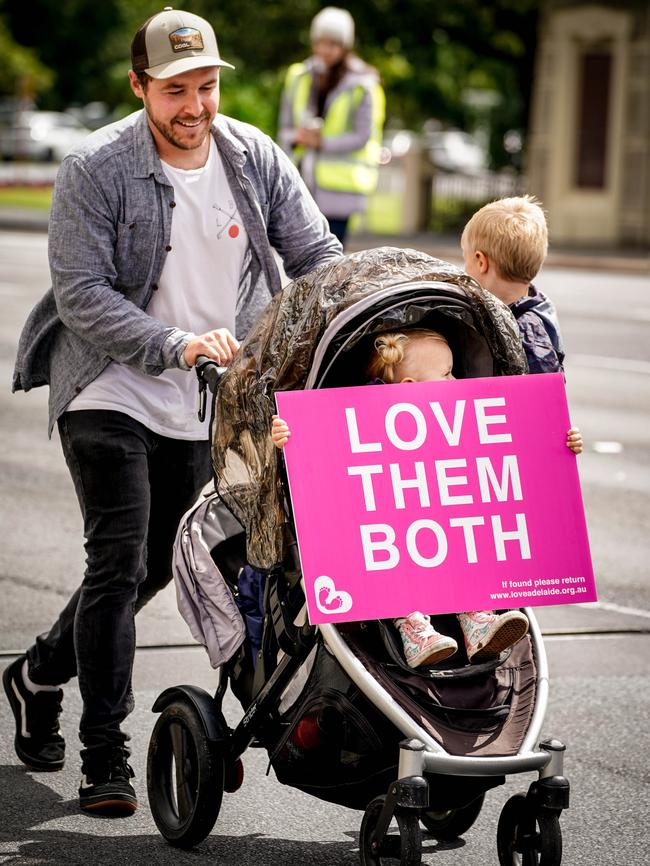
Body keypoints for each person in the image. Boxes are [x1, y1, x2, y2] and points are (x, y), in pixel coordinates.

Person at [4, 7, 342, 817]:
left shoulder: (252, 156)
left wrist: (348, 320)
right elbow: (82, 295)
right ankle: (104, 755)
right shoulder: (97, 168)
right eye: (175, 90)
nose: (194, 106)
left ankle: (38, 670)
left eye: (206, 86)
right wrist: (175, 343)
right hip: (109, 384)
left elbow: (317, 254)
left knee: (159, 563)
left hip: (205, 398)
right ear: (139, 87)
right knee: (118, 560)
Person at [271, 329, 583, 669]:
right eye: (447, 374)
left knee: (465, 547)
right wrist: (290, 437)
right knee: (390, 574)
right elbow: (321, 457)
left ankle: (477, 621)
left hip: (436, 532)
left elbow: (506, 452)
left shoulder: (458, 421)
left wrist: (555, 442)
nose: (456, 380)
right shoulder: (357, 418)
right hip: (387, 535)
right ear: (408, 388)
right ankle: (415, 632)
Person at [278, 6, 385, 246]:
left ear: (345, 46)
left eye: (332, 44)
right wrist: (298, 137)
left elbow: (363, 136)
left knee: (330, 258)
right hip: (301, 182)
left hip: (339, 190)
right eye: (320, 42)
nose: (324, 50)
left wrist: (321, 142)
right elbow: (284, 128)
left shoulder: (363, 85)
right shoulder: (299, 76)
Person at [461, 195, 564, 374]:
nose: (464, 269)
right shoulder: (529, 310)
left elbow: (542, 397)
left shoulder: (528, 335)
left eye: (465, 259)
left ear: (480, 262)